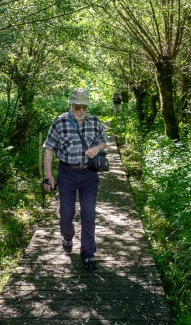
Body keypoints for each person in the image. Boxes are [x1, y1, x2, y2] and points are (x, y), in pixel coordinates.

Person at [43, 88, 107, 270]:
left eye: (84, 107)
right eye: (77, 107)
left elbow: (104, 140)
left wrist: (97, 148)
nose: (81, 111)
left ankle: (88, 254)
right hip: (67, 173)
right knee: (66, 213)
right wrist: (48, 176)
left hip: (88, 174)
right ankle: (67, 236)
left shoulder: (94, 121)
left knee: (88, 214)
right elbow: (48, 148)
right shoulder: (59, 122)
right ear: (70, 105)